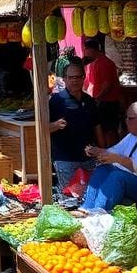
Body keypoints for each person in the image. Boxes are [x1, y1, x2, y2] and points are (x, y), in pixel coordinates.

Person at [48, 58, 100, 190]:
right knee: (69, 197)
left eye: (78, 77)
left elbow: (97, 126)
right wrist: (55, 125)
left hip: (89, 158)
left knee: (89, 195)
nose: (74, 80)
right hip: (65, 158)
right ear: (64, 79)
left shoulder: (89, 101)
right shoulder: (56, 100)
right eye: (71, 77)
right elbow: (42, 128)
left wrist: (102, 149)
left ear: (83, 78)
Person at [83, 39, 122, 148]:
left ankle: (113, 152)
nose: (85, 53)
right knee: (101, 128)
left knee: (109, 130)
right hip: (99, 101)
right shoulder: (91, 64)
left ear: (92, 50)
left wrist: (97, 98)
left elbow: (107, 85)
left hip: (108, 102)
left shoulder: (104, 63)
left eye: (86, 50)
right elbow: (88, 83)